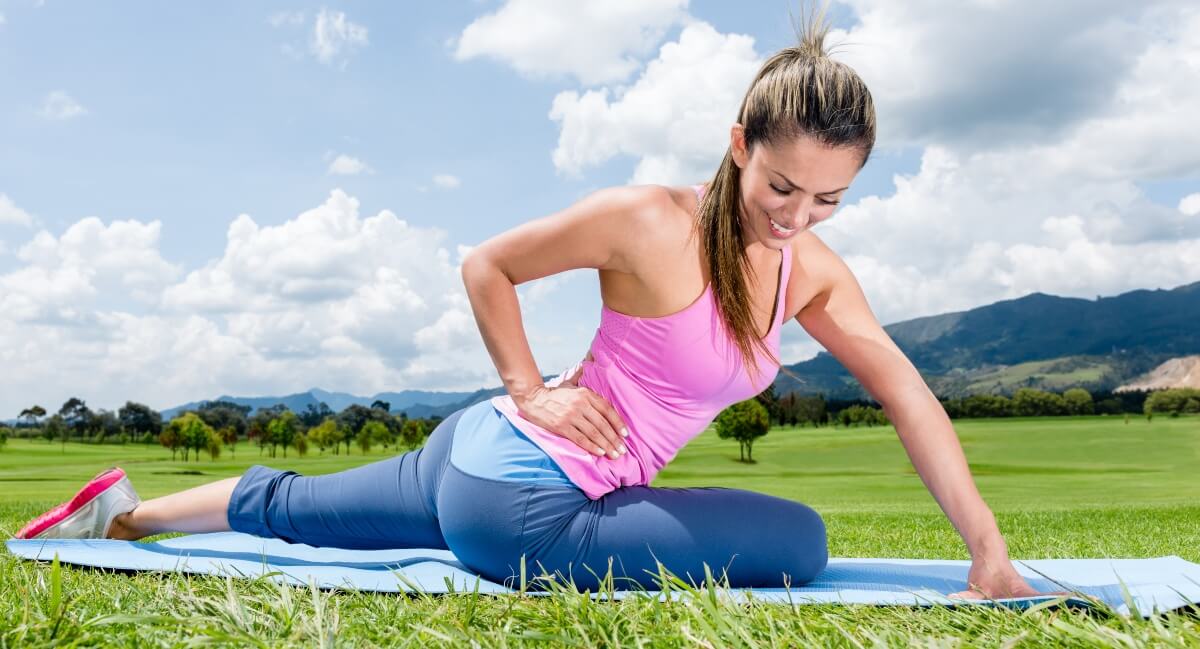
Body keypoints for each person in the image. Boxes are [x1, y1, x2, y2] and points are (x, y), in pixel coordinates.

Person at [13, 9, 1043, 599]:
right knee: (801, 542)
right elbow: (487, 265)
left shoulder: (813, 271)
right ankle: (127, 516)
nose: (796, 216)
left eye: (829, 200)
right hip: (529, 493)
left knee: (301, 513)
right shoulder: (648, 220)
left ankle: (122, 514)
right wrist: (529, 386)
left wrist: (986, 544)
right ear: (739, 143)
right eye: (782, 187)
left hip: (473, 459)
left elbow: (909, 396)